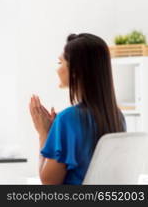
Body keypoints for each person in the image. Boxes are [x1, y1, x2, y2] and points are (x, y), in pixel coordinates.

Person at [29, 33, 126, 185]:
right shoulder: (117, 117)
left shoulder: (68, 119)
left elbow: (48, 183)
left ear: (75, 71)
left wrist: (44, 133)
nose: (57, 70)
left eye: (60, 62)